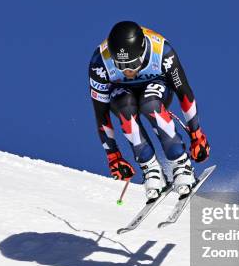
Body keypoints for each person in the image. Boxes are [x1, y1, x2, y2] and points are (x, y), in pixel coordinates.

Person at [89, 21, 210, 200]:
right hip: (122, 91)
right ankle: (151, 169)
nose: (128, 71)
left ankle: (181, 164)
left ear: (143, 51)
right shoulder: (100, 64)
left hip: (157, 86)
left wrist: (196, 134)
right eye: (120, 66)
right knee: (125, 110)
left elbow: (184, 93)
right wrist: (113, 155)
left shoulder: (162, 52)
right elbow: (101, 113)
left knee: (150, 104)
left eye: (133, 64)